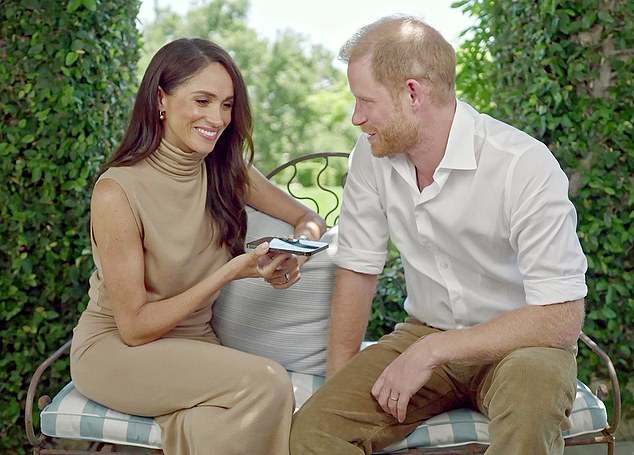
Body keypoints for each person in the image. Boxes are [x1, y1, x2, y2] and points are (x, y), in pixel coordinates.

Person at [290, 15, 587, 455]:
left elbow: (561, 317)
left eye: (365, 100)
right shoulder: (371, 159)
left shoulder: (521, 164)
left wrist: (435, 350)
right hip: (423, 332)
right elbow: (357, 267)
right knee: (314, 431)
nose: (356, 117)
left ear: (413, 93)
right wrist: (340, 383)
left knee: (530, 409)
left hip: (522, 345)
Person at [70, 38, 326, 455]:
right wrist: (231, 271)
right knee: (268, 381)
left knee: (218, 425)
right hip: (117, 350)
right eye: (203, 100)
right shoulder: (117, 191)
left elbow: (308, 218)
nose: (217, 117)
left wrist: (295, 251)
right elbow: (134, 327)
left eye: (226, 104)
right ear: (161, 100)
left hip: (194, 347)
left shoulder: (226, 170)